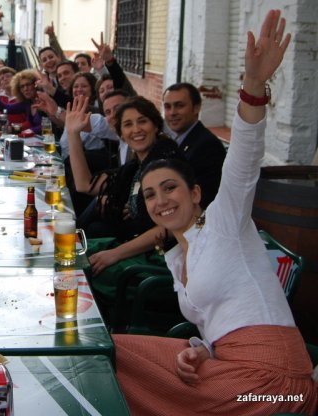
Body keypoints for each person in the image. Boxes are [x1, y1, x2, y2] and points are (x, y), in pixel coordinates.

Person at [113, 11, 318, 414]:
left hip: (275, 385)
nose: (161, 200)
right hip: (227, 365)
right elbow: (221, 319)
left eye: (170, 188)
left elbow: (244, 159)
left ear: (195, 193)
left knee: (120, 373)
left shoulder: (224, 221)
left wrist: (253, 87)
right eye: (151, 195)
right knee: (110, 351)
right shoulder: (176, 255)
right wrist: (202, 350)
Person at [65, 95, 185, 288]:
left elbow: (170, 227)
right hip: (138, 248)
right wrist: (73, 134)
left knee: (81, 269)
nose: (136, 129)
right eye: (128, 124)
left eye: (142, 121)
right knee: (73, 252)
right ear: (121, 133)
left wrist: (115, 254)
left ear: (156, 125)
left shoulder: (165, 163)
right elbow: (85, 185)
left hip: (163, 262)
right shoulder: (135, 167)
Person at [163, 82, 226, 208]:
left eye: (179, 106)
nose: (172, 112)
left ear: (196, 108)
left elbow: (203, 199)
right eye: (167, 107)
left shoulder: (208, 146)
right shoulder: (174, 141)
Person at [0, 69, 43, 134]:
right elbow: (6, 108)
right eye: (22, 86)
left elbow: (48, 125)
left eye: (28, 85)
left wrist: (29, 131)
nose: (25, 89)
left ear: (35, 85)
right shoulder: (27, 103)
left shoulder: (43, 100)